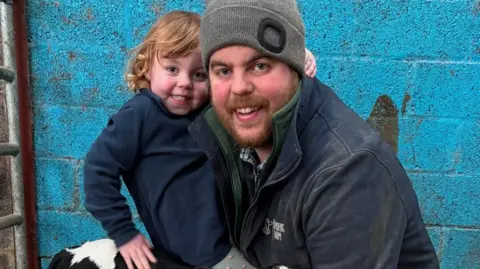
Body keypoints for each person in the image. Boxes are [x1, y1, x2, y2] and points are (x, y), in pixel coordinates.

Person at [188, 0, 441, 268]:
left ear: (295, 67)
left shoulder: (348, 171)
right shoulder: (228, 135)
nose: (239, 88)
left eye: (259, 66)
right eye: (223, 71)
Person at [83, 10, 318, 269]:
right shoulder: (138, 116)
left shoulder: (206, 110)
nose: (184, 83)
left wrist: (292, 60)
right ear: (146, 66)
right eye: (172, 69)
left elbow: (260, 100)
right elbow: (97, 172)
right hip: (206, 250)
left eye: (198, 75)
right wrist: (124, 233)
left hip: (238, 233)